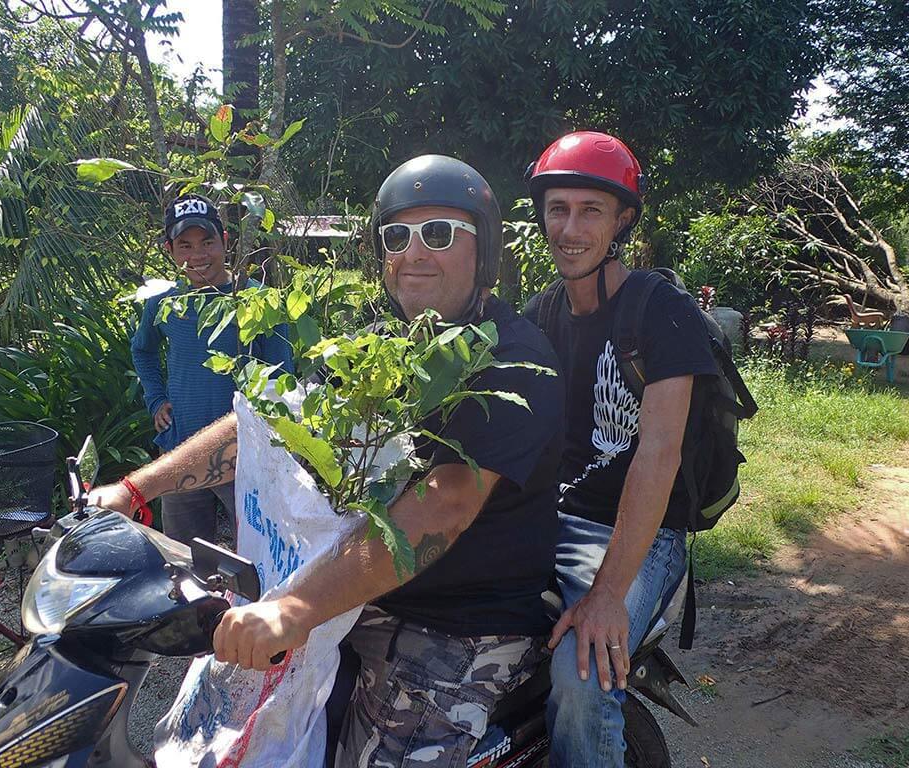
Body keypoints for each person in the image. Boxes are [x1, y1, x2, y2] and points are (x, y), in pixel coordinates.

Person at [93, 156, 565, 767]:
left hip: (464, 620)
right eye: (398, 236)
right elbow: (271, 429)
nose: (415, 252)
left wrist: (292, 609)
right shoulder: (384, 345)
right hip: (362, 594)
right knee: (224, 731)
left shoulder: (514, 362)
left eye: (441, 233)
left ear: (485, 252)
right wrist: (136, 488)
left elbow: (444, 503)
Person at [523, 132, 719, 768]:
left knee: (582, 674)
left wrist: (606, 595)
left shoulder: (661, 311)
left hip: (641, 535)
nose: (570, 228)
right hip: (549, 518)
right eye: (558, 208)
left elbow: (657, 454)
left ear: (621, 221)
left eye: (590, 210)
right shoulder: (541, 313)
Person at [131, 193, 293, 544]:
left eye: (207, 242)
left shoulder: (258, 299)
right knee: (184, 558)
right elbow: (142, 350)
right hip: (180, 449)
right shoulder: (163, 302)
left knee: (259, 551)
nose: (198, 255)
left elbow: (282, 376)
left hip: (244, 456)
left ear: (225, 241)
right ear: (169, 251)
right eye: (185, 245)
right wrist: (156, 399)